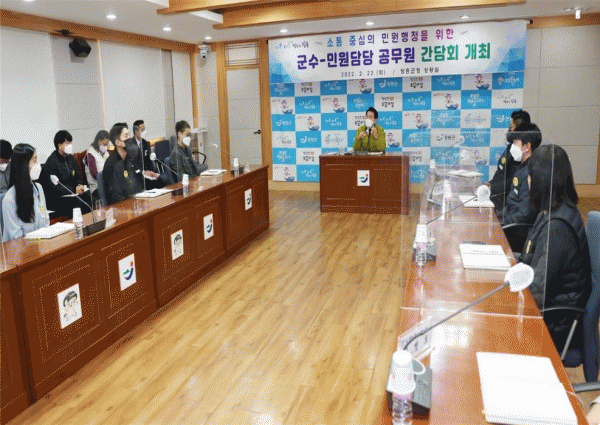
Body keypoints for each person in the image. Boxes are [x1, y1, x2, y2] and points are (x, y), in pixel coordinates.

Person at [520, 144, 591, 353]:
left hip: (553, 325)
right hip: (546, 314)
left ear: (541, 180)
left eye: (531, 176)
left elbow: (537, 292)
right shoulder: (552, 212)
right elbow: (531, 261)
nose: (528, 180)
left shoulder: (557, 228)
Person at [1, 144, 50, 241]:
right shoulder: (9, 199)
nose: (38, 165)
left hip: (41, 244)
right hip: (21, 248)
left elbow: (46, 222)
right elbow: (16, 237)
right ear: (23, 165)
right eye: (35, 161)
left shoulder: (39, 188)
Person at [496, 122, 541, 226]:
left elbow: (524, 215)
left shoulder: (530, 173)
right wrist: (496, 216)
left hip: (516, 229)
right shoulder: (522, 167)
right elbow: (512, 205)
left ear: (527, 147)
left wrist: (500, 223)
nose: (512, 147)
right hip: (509, 220)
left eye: (515, 142)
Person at [488, 109, 531, 210]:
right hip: (496, 197)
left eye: (511, 127)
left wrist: (492, 188)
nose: (509, 130)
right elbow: (500, 172)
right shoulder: (511, 147)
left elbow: (512, 181)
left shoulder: (519, 153)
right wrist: (490, 184)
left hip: (505, 202)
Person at [43, 130, 91, 217]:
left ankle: (90, 221)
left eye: (70, 143)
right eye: (67, 143)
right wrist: (73, 190)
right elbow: (55, 188)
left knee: (88, 195)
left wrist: (79, 185)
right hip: (58, 198)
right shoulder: (51, 163)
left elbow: (78, 177)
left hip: (73, 193)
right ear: (60, 145)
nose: (70, 146)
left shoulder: (72, 159)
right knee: (76, 201)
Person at [102, 124, 144, 205]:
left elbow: (138, 184)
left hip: (136, 202)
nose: (129, 138)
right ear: (118, 142)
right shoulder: (111, 164)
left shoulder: (129, 159)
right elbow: (115, 195)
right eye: (126, 136)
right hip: (122, 207)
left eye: (129, 135)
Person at [127, 120, 164, 189]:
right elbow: (132, 164)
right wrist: (143, 172)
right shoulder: (130, 145)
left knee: (160, 181)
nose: (144, 132)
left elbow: (149, 161)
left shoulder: (146, 143)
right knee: (149, 184)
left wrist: (152, 172)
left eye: (144, 130)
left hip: (147, 173)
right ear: (136, 131)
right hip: (138, 174)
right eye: (142, 130)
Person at [84, 130, 111, 201]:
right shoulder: (90, 154)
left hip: (107, 184)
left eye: (107, 145)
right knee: (111, 194)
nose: (106, 147)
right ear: (99, 141)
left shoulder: (106, 153)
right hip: (96, 187)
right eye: (104, 144)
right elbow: (94, 174)